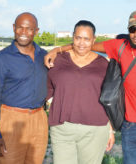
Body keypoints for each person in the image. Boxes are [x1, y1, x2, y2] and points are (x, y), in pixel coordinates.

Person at [45, 9, 136, 164]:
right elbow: (86, 45)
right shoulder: (118, 46)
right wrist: (57, 49)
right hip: (131, 124)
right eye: (133, 29)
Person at [46, 20, 114, 164]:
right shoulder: (57, 61)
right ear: (72, 37)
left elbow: (109, 99)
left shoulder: (104, 64)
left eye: (86, 39)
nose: (81, 43)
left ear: (94, 40)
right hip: (62, 128)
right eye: (78, 38)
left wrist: (110, 130)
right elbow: (46, 91)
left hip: (95, 130)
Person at [0, 12, 48, 164]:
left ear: (36, 31)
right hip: (12, 121)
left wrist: (60, 49)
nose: (24, 33)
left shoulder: (44, 56)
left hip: (39, 119)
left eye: (29, 29)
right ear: (14, 28)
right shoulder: (1, 59)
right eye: (20, 28)